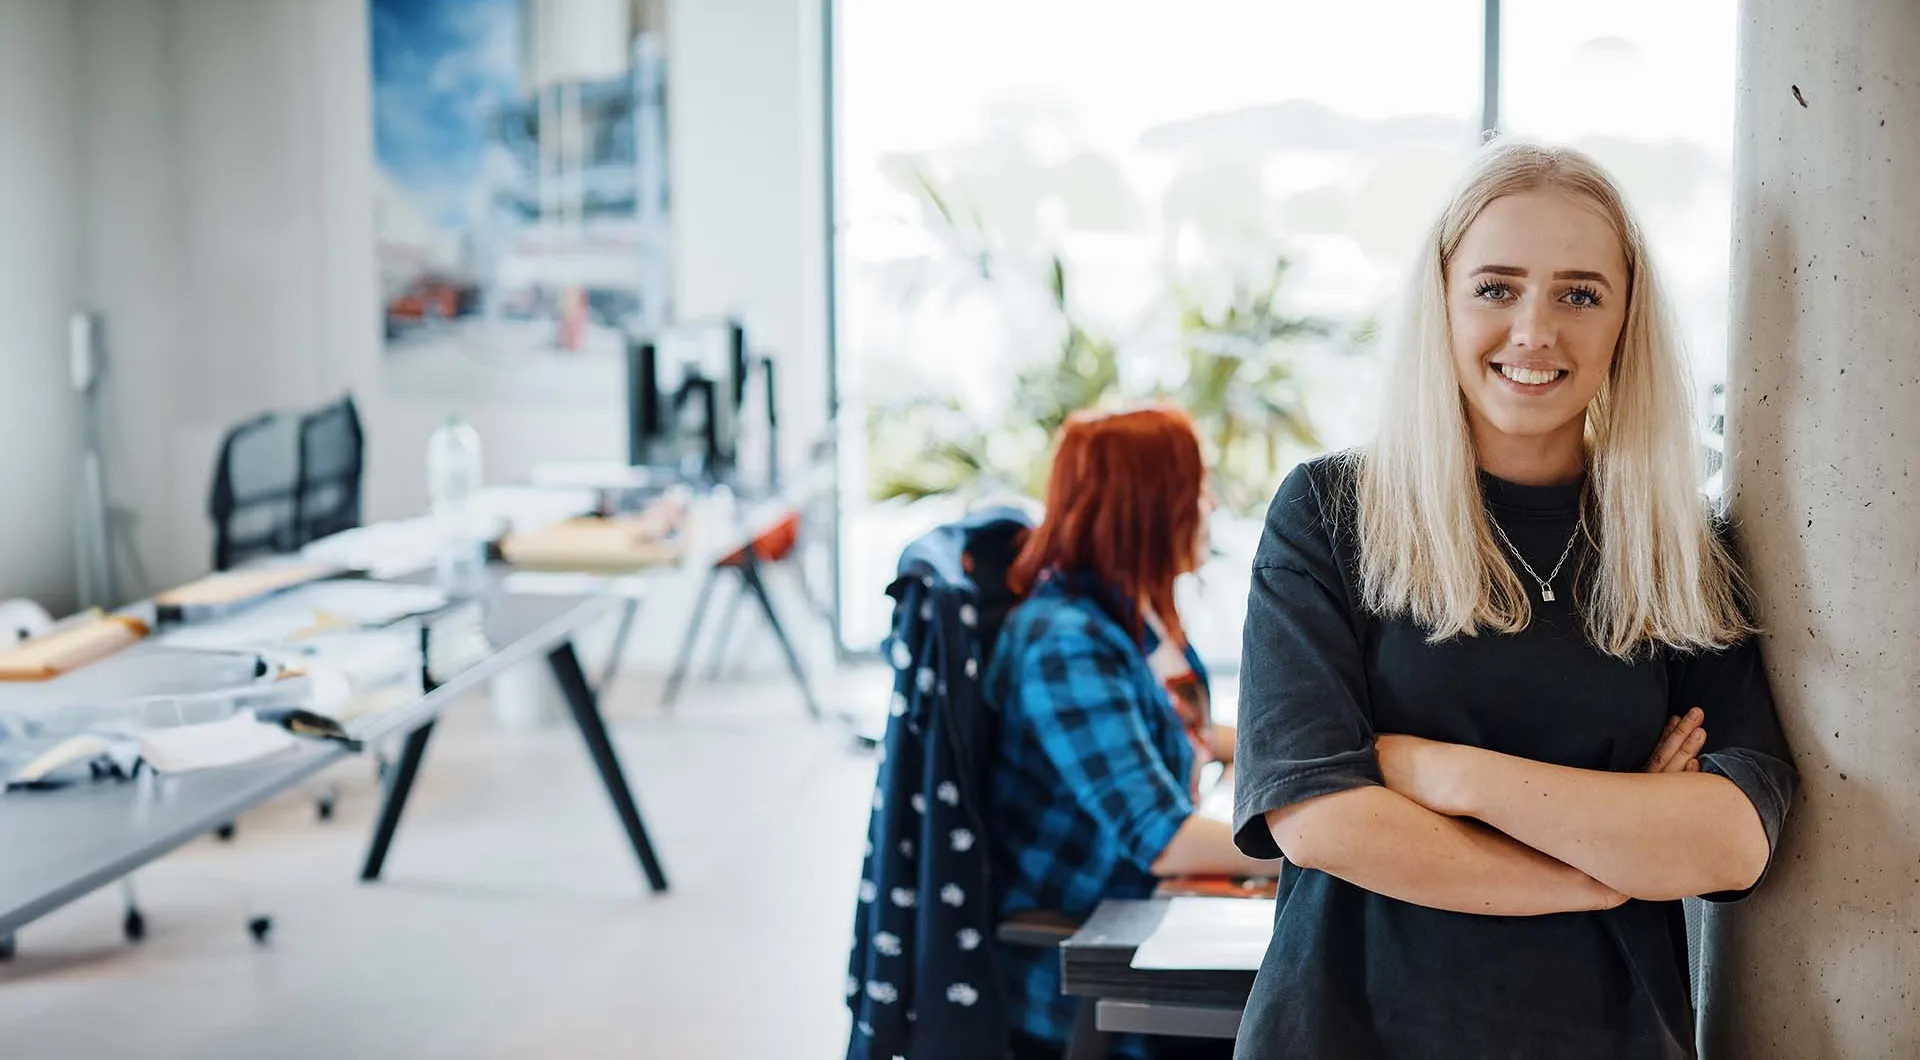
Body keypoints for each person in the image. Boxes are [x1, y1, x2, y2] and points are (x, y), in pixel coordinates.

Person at [1230, 139, 1797, 1059]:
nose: (1535, 331)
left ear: (1625, 320)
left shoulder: (1680, 546)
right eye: (1497, 287)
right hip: (1348, 1030)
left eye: (1579, 294)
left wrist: (1448, 775)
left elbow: (1728, 843)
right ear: (1444, 303)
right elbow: (1323, 819)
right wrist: (1605, 868)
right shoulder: (1333, 514)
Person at [984, 405, 1276, 1060]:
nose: (1210, 506)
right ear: (1149, 505)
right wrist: (1330, 847)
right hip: (1095, 955)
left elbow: (1188, 728)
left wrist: (1321, 761)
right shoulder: (1064, 640)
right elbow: (1164, 842)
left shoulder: (1130, 610)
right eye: (1196, 490)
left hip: (1147, 915)